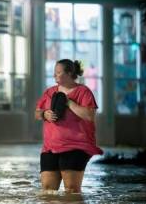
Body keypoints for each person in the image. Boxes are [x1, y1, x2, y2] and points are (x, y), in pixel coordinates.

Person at [35, 59, 103, 193]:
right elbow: (36, 113)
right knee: (48, 191)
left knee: (71, 190)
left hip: (76, 147)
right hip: (50, 148)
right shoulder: (49, 92)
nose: (55, 75)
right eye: (54, 73)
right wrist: (44, 114)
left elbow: (89, 115)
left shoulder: (83, 91)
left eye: (58, 72)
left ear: (70, 73)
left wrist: (69, 103)